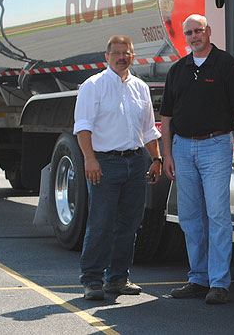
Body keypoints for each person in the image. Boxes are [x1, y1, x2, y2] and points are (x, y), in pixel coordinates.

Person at [161, 14, 234, 305]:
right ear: (185, 37)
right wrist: (167, 155)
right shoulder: (178, 70)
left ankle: (219, 283)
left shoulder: (225, 65)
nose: (194, 36)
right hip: (183, 149)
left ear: (209, 31)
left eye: (199, 30)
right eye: (189, 33)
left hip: (216, 146)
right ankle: (198, 278)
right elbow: (166, 118)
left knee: (218, 215)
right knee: (190, 217)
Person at [74, 35, 162, 301]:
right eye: (116, 53)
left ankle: (117, 278)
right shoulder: (93, 86)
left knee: (129, 223)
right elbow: (83, 126)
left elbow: (148, 129)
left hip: (136, 162)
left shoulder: (140, 88)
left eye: (127, 53)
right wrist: (90, 159)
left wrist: (156, 159)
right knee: (101, 223)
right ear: (107, 56)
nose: (122, 57)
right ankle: (92, 280)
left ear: (133, 57)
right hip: (105, 163)